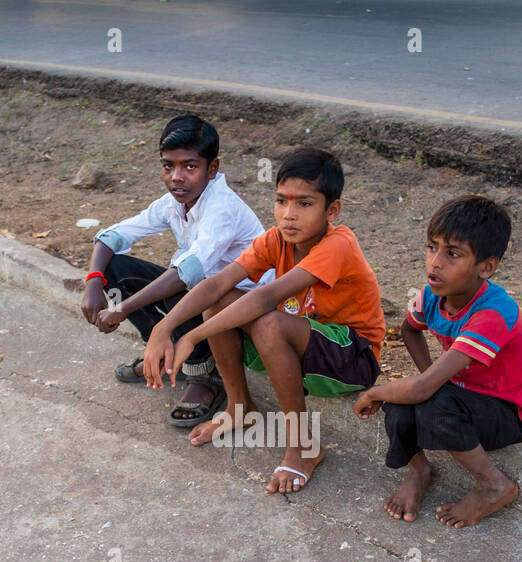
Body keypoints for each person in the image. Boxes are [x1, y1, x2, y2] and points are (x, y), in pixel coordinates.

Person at [141, 147, 384, 493]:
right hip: (304, 344)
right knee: (220, 303)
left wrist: (191, 336)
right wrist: (163, 328)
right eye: (281, 201)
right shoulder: (276, 239)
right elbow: (217, 284)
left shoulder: (338, 244)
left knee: (267, 321)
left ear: (332, 210)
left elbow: (265, 297)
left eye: (304, 203)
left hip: (352, 357)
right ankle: (240, 405)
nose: (288, 215)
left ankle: (302, 448)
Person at [354, 195, 522, 527]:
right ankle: (419, 471)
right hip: (462, 396)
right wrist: (432, 379)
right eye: (431, 247)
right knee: (401, 404)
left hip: (506, 412)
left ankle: (495, 486)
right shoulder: (431, 295)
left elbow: (423, 389)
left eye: (453, 254)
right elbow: (410, 330)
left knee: (425, 402)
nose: (435, 262)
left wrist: (375, 392)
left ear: (486, 266)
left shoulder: (493, 312)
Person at [80, 114, 263, 427]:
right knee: (113, 267)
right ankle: (164, 356)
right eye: (169, 166)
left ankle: (203, 377)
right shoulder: (172, 203)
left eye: (190, 166)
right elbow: (111, 236)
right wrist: (94, 282)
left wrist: (121, 309)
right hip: (204, 295)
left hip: (241, 308)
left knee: (178, 288)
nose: (177, 176)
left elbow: (188, 271)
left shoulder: (222, 208)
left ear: (212, 168)